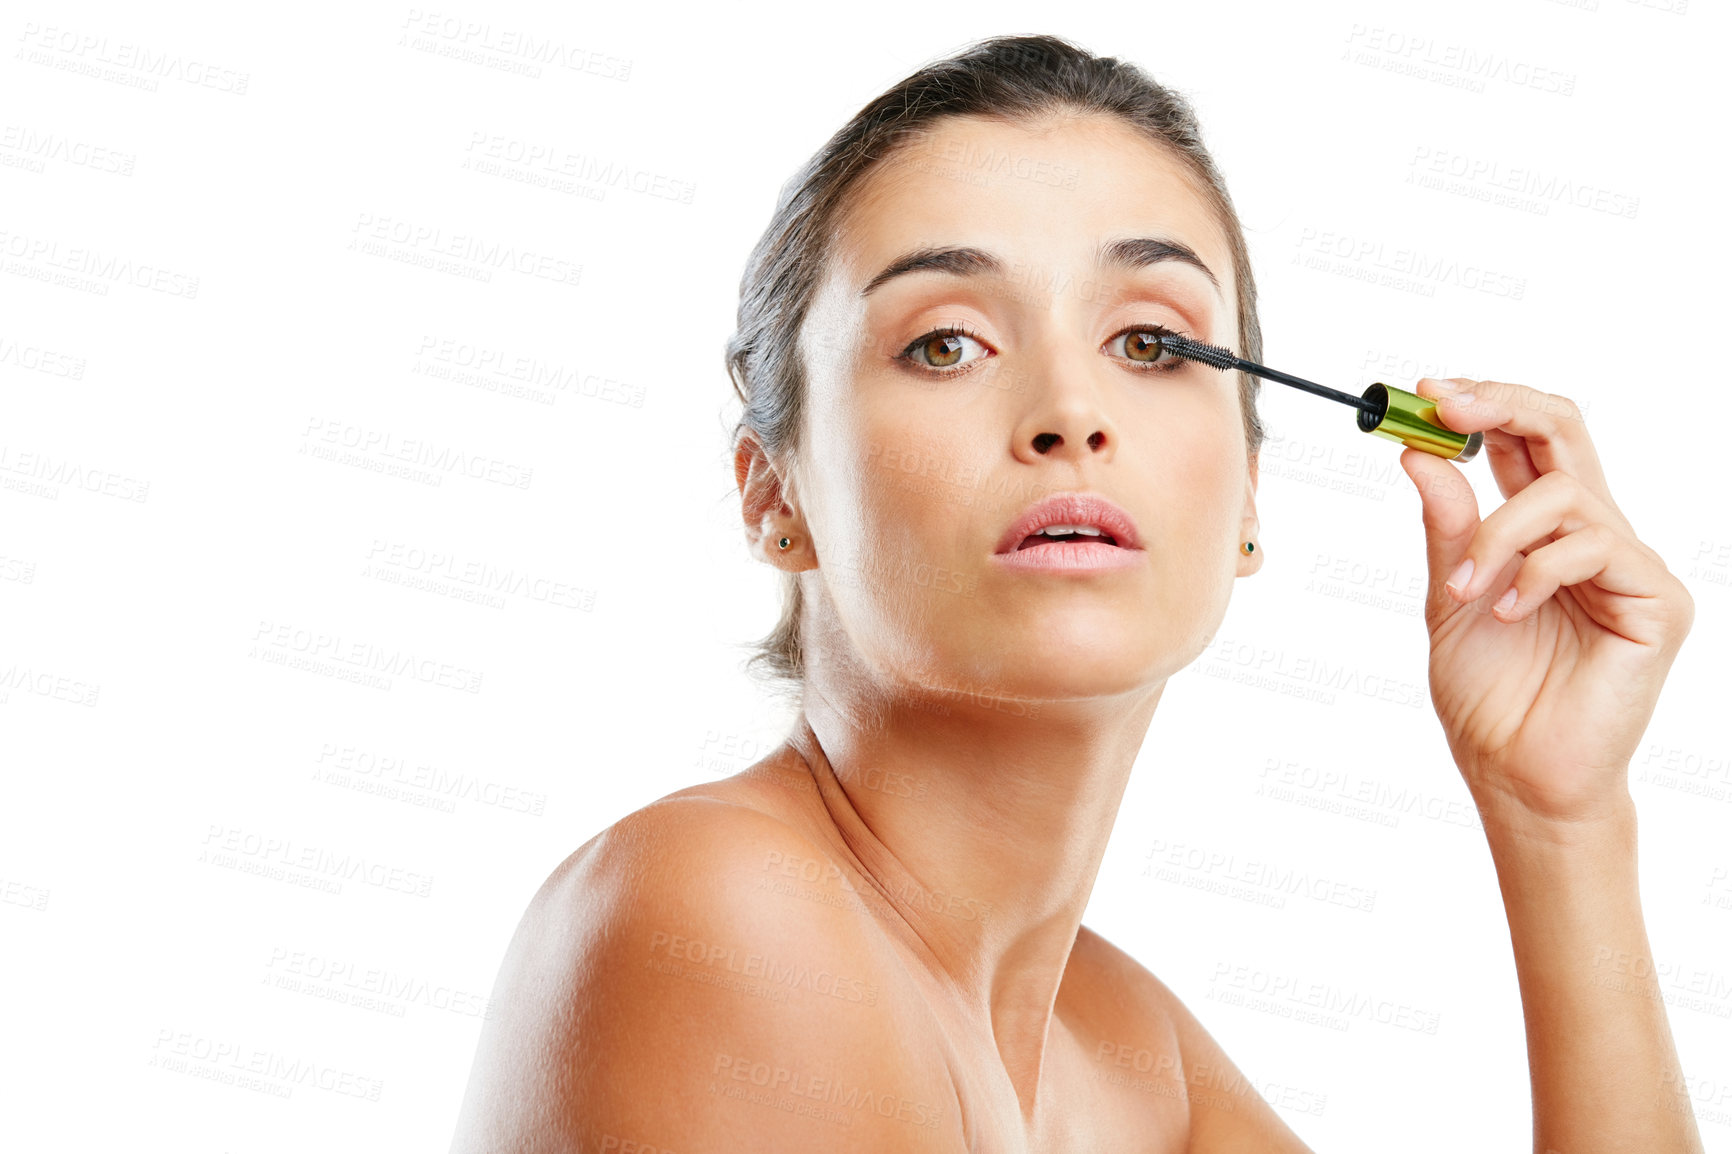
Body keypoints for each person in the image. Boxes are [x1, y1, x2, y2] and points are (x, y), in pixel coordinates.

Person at [449, 34, 1703, 1153]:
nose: (1067, 415)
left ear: (1252, 495)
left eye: (1151, 342)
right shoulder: (722, 912)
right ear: (773, 492)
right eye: (945, 341)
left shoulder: (1128, 1054)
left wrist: (1562, 822)